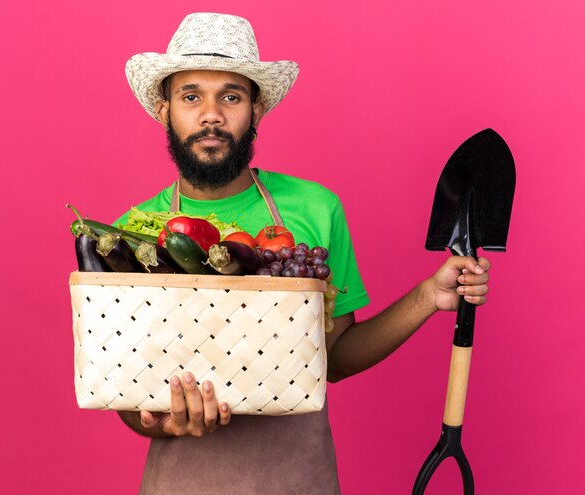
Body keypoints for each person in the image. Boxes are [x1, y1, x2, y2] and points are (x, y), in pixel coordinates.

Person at [114, 13, 491, 494]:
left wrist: (428, 296)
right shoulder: (133, 232)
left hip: (298, 477)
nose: (211, 113)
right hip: (183, 479)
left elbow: (333, 359)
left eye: (231, 96)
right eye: (191, 96)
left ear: (256, 109)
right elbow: (126, 395)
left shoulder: (315, 208)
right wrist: (165, 423)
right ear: (166, 109)